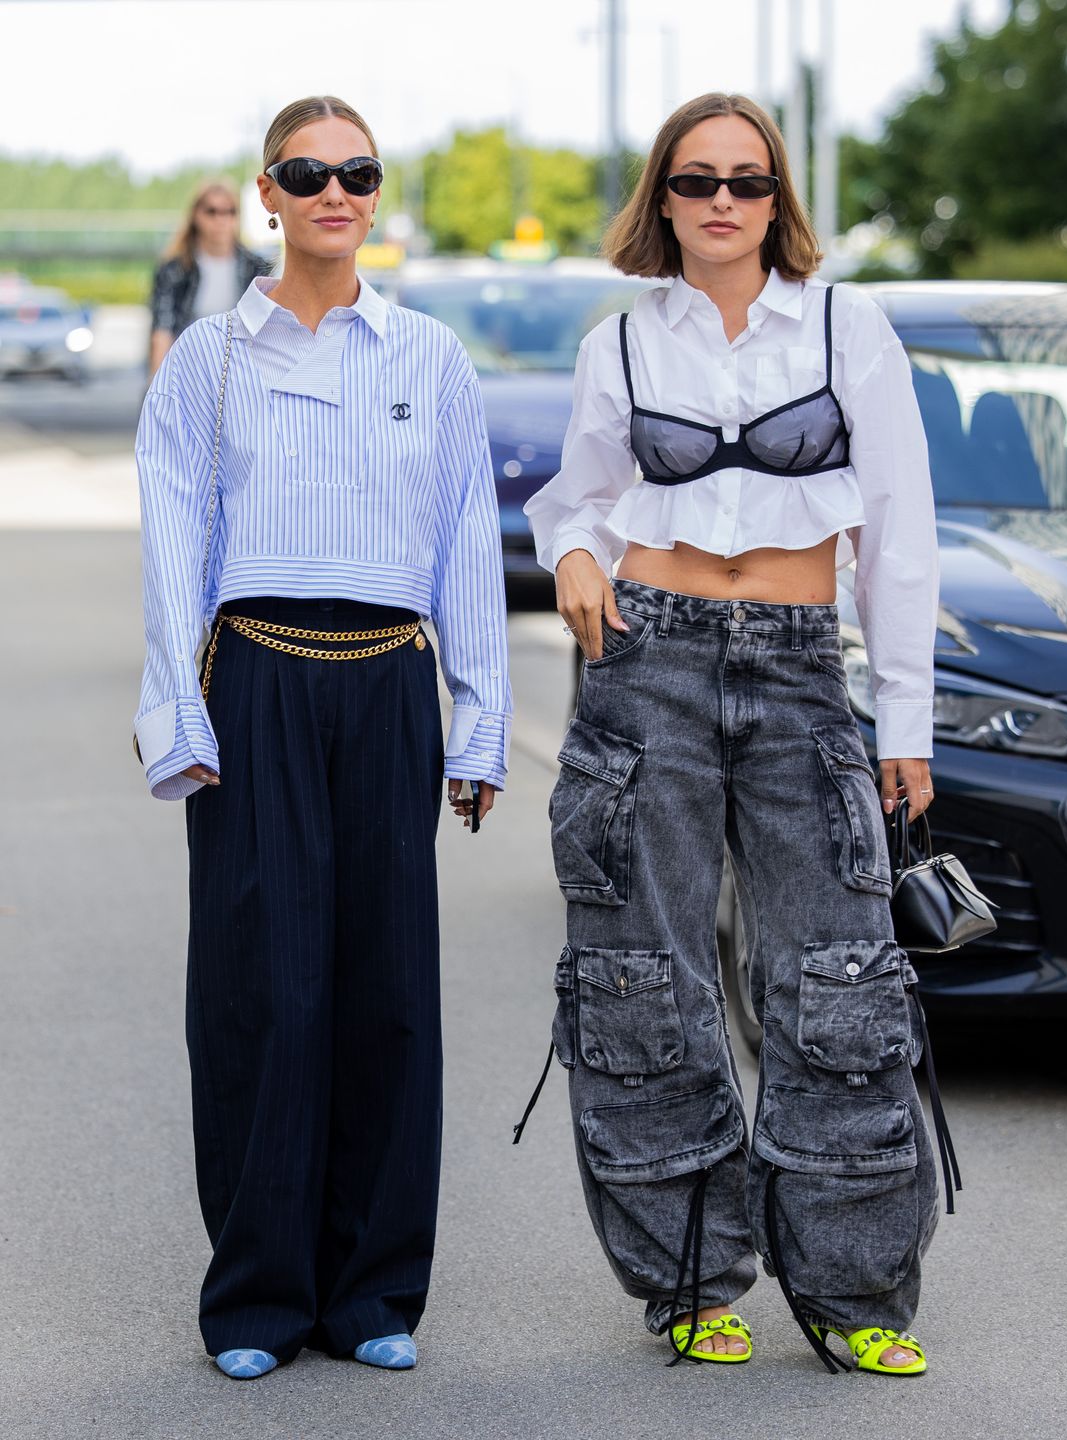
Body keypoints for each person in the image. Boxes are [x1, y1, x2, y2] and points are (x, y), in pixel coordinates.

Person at [523, 92, 941, 1376]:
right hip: (645, 666)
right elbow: (576, 501)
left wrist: (905, 717)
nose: (721, 201)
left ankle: (854, 1292)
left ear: (777, 201)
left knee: (837, 979)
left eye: (747, 182)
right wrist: (577, 558)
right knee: (644, 981)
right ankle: (693, 1280)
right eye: (696, 180)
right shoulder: (622, 344)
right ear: (661, 197)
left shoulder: (844, 323)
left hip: (802, 670)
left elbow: (902, 528)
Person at [134, 95, 511, 1380]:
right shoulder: (209, 359)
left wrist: (481, 726)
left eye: (358, 169)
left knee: (386, 989)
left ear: (374, 191)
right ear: (271, 192)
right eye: (310, 170)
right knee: (259, 988)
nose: (335, 189)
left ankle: (371, 1292)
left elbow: (466, 536)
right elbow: (174, 541)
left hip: (390, 678)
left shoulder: (430, 357)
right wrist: (176, 710)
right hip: (258, 678)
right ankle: (256, 1298)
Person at [148, 178, 271, 379]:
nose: (221, 219)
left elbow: (266, 332)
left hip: (240, 375)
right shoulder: (174, 269)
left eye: (230, 211)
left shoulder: (256, 267)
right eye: (212, 211)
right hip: (186, 372)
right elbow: (162, 330)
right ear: (196, 215)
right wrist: (157, 386)